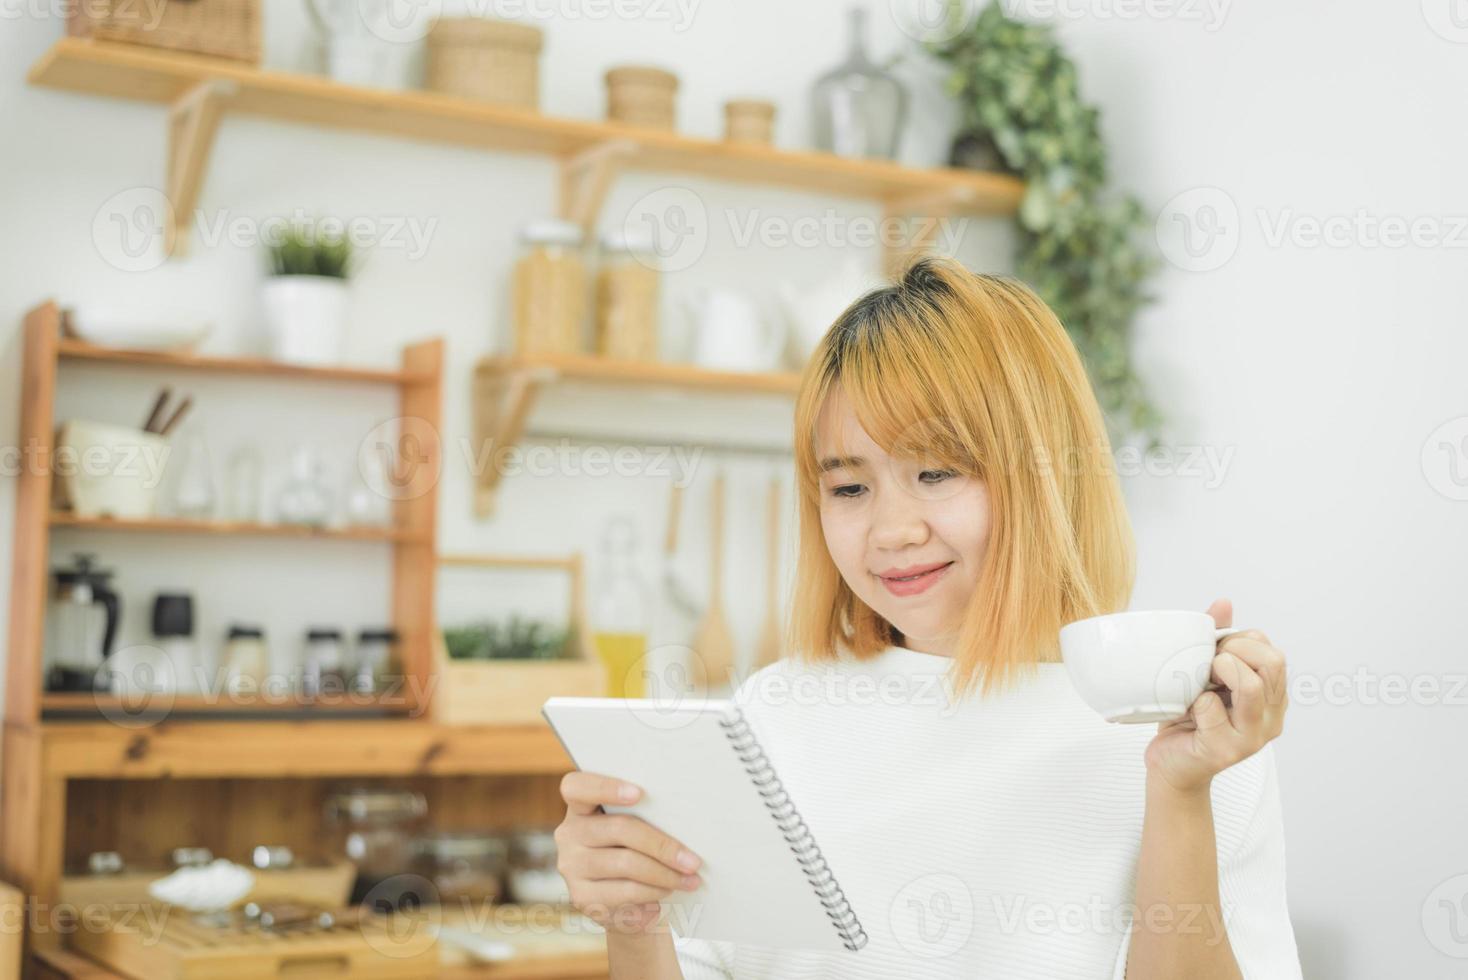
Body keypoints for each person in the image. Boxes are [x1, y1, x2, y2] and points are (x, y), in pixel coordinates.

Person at [554, 254, 1300, 979]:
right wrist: (633, 918)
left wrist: (1178, 790)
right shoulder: (769, 718)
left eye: (934, 474)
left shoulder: (1195, 741)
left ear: (1043, 474)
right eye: (849, 489)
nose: (890, 530)